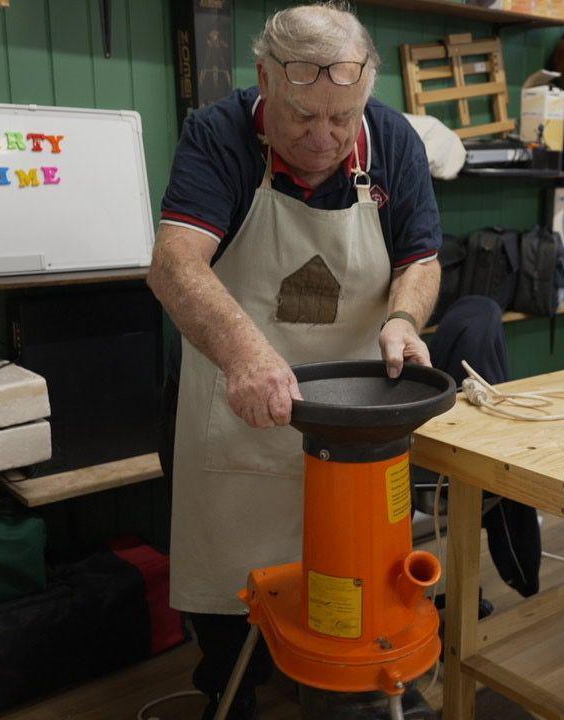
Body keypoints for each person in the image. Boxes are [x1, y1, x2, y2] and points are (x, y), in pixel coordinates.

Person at [147, 4, 441, 717]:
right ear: (263, 81)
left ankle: (347, 683)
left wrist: (404, 318)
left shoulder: (391, 139)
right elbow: (174, 265)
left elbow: (421, 258)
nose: (324, 139)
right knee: (230, 569)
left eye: (342, 118)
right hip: (245, 400)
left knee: (354, 564)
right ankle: (231, 687)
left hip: (356, 415)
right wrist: (248, 354)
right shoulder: (219, 135)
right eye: (303, 116)